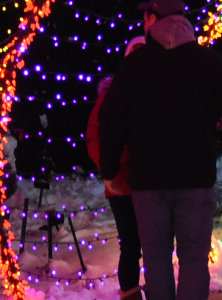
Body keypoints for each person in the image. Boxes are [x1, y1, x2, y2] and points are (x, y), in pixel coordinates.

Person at [98, 0, 222, 300]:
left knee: (155, 257)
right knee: (194, 257)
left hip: (148, 181)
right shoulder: (207, 61)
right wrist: (216, 117)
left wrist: (110, 168)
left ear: (152, 20)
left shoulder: (135, 65)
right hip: (195, 178)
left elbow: (111, 118)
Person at [88, 36, 147, 300]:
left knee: (156, 244)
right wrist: (115, 169)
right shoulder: (111, 97)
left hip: (152, 182)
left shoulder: (160, 92)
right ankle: (131, 295)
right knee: (132, 245)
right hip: (122, 185)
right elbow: (95, 138)